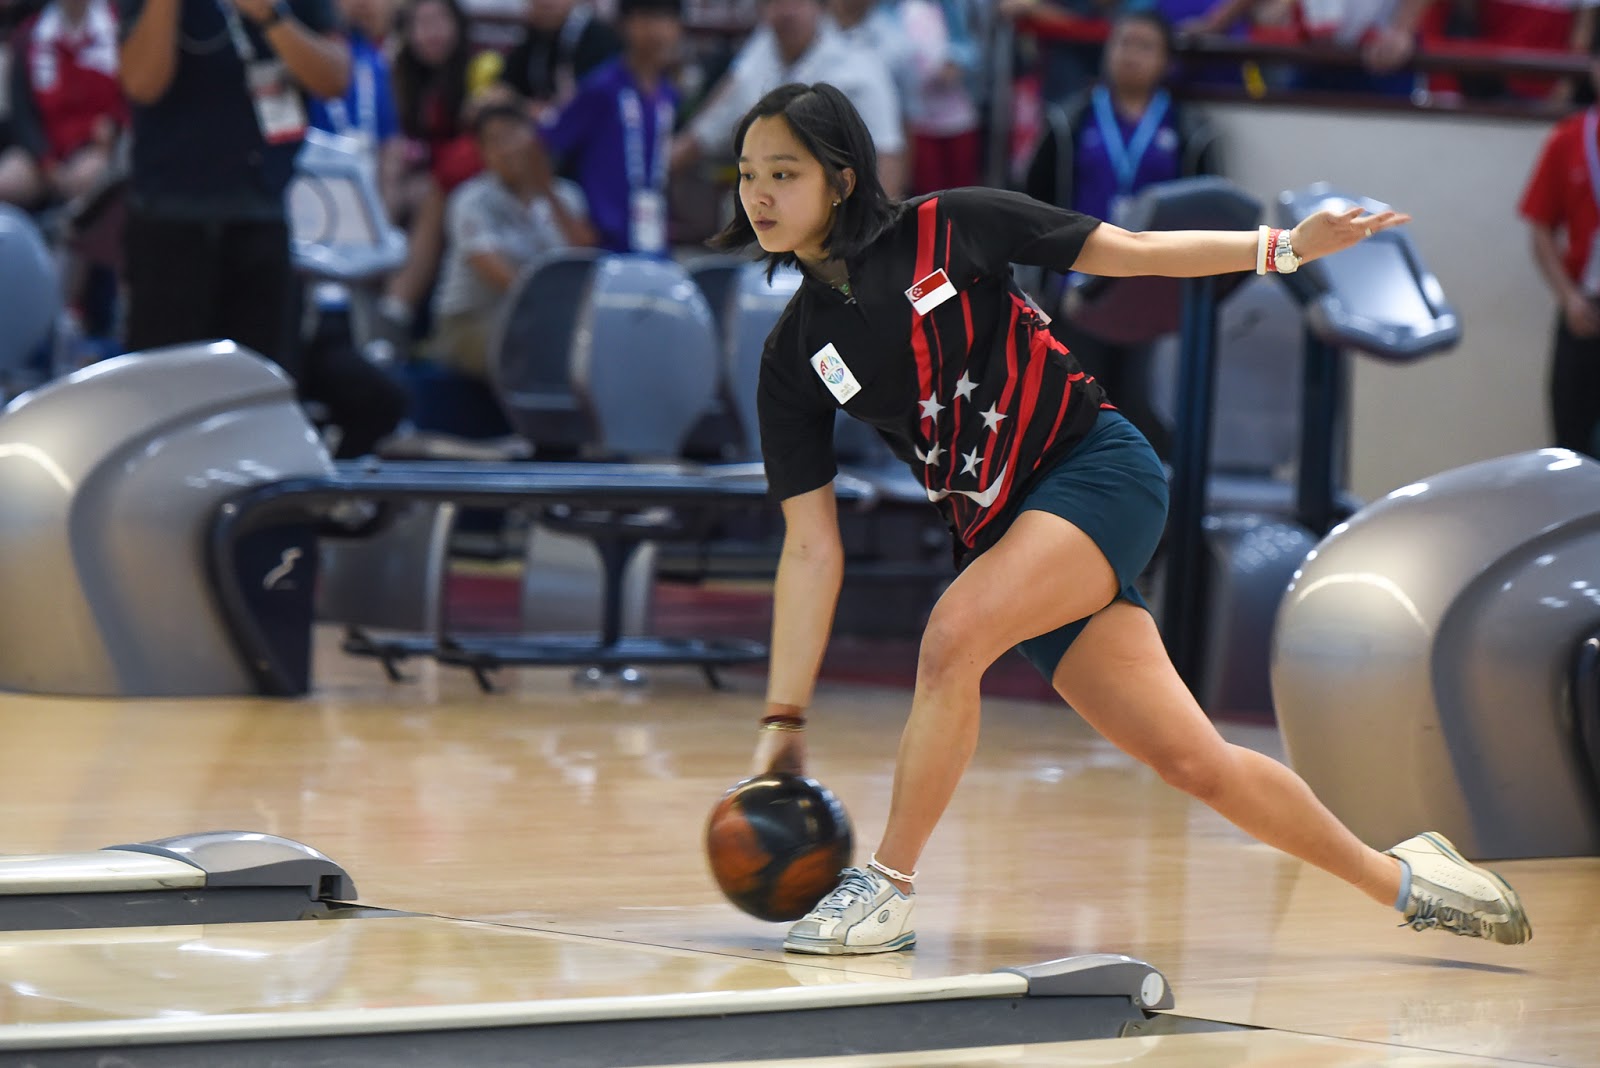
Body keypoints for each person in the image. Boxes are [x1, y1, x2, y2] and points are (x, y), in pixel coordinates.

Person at [719, 82, 1534, 956]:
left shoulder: (953, 224)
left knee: (953, 638)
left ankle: (886, 889)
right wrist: (782, 719)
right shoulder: (793, 354)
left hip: (1096, 472)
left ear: (841, 180)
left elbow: (1135, 251)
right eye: (747, 176)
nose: (759, 195)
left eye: (783, 172)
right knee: (1195, 763)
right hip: (1006, 535)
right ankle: (1413, 879)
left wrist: (1287, 248)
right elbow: (809, 548)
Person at [1021, 9, 1222, 461]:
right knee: (1076, 407)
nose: (1130, 55)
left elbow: (1208, 214)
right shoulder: (1068, 123)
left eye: (1144, 46)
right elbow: (1031, 209)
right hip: (1078, 290)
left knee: (1140, 408)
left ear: (1166, 61)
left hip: (1153, 292)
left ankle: (1151, 509)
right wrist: (1037, 288)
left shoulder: (1191, 132)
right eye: (1123, 43)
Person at [429, 103, 593, 381]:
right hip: (471, 319)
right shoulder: (470, 200)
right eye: (496, 141)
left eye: (514, 136)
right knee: (540, 344)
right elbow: (504, 278)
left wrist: (547, 190)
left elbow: (588, 261)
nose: (508, 149)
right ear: (483, 154)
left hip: (545, 318)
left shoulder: (567, 196)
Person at [539, 0, 680, 255]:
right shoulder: (601, 88)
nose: (657, 31)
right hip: (601, 247)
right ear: (624, 25)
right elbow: (539, 149)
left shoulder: (668, 95)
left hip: (652, 245)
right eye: (647, 18)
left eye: (667, 19)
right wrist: (569, 222)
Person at [1519, 45, 1600, 458]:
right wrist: (1567, 296)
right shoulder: (1568, 139)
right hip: (1582, 308)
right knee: (1572, 447)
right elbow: (1541, 228)